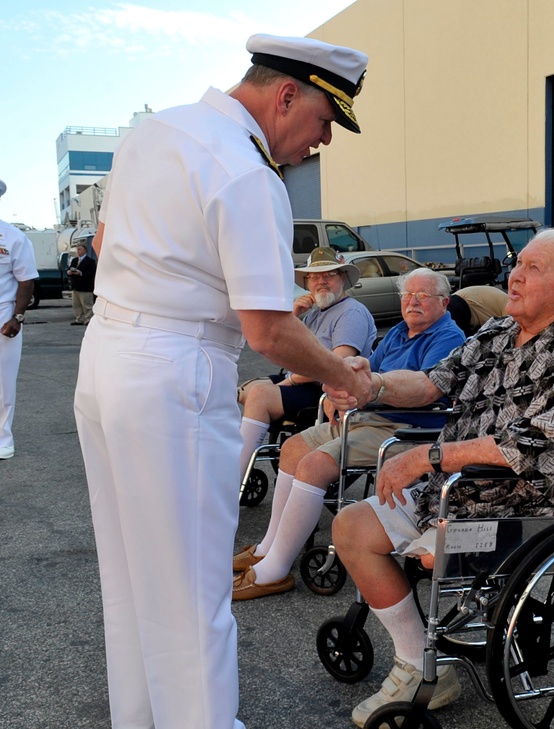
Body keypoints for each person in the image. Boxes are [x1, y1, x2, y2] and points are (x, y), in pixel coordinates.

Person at [73, 34, 370, 729]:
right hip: (173, 372)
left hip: (108, 357)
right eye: (326, 121)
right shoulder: (245, 174)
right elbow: (267, 329)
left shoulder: (153, 132)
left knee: (133, 582)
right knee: (193, 594)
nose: (322, 141)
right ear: (287, 94)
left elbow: (105, 244)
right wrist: (342, 373)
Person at [328, 228, 554, 727]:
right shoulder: (499, 331)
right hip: (460, 490)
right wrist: (370, 381)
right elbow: (430, 382)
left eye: (532, 269)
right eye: (517, 264)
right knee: (351, 528)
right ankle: (420, 665)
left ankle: (423, 669)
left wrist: (426, 458)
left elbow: (526, 443)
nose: (515, 276)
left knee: (423, 550)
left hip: (530, 504)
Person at [232, 267, 465, 599]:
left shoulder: (448, 338)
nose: (412, 302)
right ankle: (267, 549)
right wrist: (341, 392)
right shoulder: (400, 331)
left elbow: (422, 391)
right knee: (292, 449)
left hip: (407, 428)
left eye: (423, 296)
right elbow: (364, 371)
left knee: (314, 465)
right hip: (368, 416)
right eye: (407, 295)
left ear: (443, 302)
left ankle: (274, 571)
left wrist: (359, 392)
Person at [236, 247, 376, 484]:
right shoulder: (314, 314)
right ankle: (246, 460)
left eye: (329, 275)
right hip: (306, 382)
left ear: (342, 278)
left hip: (329, 390)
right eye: (314, 276)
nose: (321, 281)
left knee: (259, 395)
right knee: (243, 390)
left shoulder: (351, 312)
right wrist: (292, 315)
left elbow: (339, 363)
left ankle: (235, 475)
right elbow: (283, 351)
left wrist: (289, 381)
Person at [0, 179, 38, 461]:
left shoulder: (12, 237)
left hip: (3, 314)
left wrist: (18, 317)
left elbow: (26, 281)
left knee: (3, 382)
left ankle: (3, 440)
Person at [67, 242, 97, 325]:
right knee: (76, 304)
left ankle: (88, 319)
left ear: (85, 250)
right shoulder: (74, 260)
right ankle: (79, 319)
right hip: (76, 286)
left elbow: (91, 273)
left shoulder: (90, 261)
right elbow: (69, 269)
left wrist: (80, 273)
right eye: (77, 249)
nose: (78, 251)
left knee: (87, 304)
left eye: (79, 249)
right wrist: (69, 272)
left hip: (85, 287)